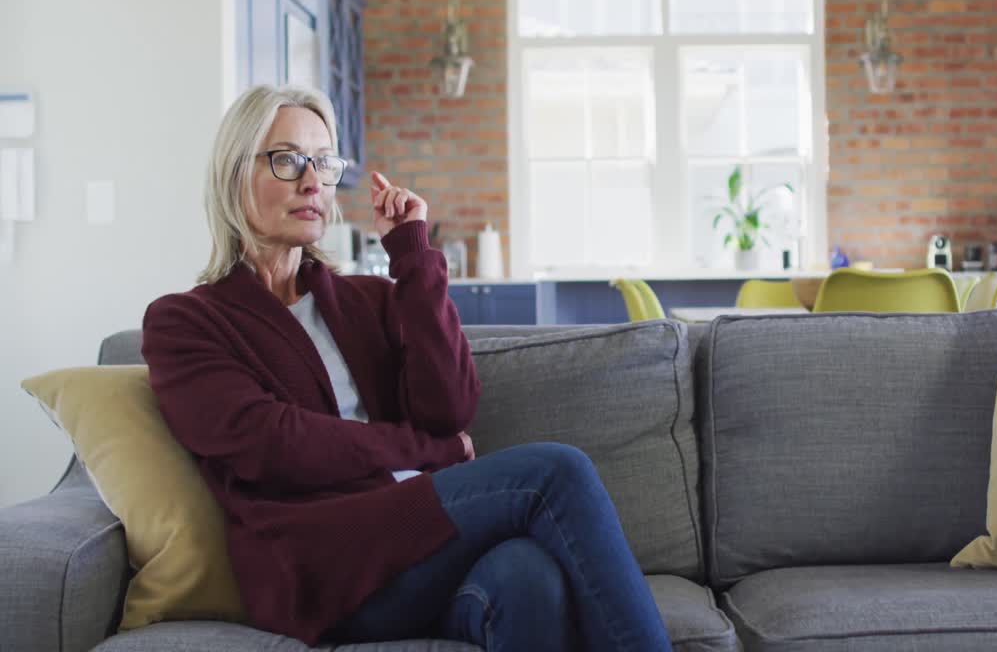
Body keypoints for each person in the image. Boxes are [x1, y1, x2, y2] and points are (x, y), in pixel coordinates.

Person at [141, 85, 672, 650]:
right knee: (556, 472)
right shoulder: (185, 322)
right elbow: (273, 445)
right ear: (233, 174)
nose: (312, 181)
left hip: (414, 543)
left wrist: (413, 256)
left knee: (525, 575)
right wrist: (429, 452)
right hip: (322, 565)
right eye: (288, 159)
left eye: (323, 162)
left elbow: (449, 408)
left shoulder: (365, 300)